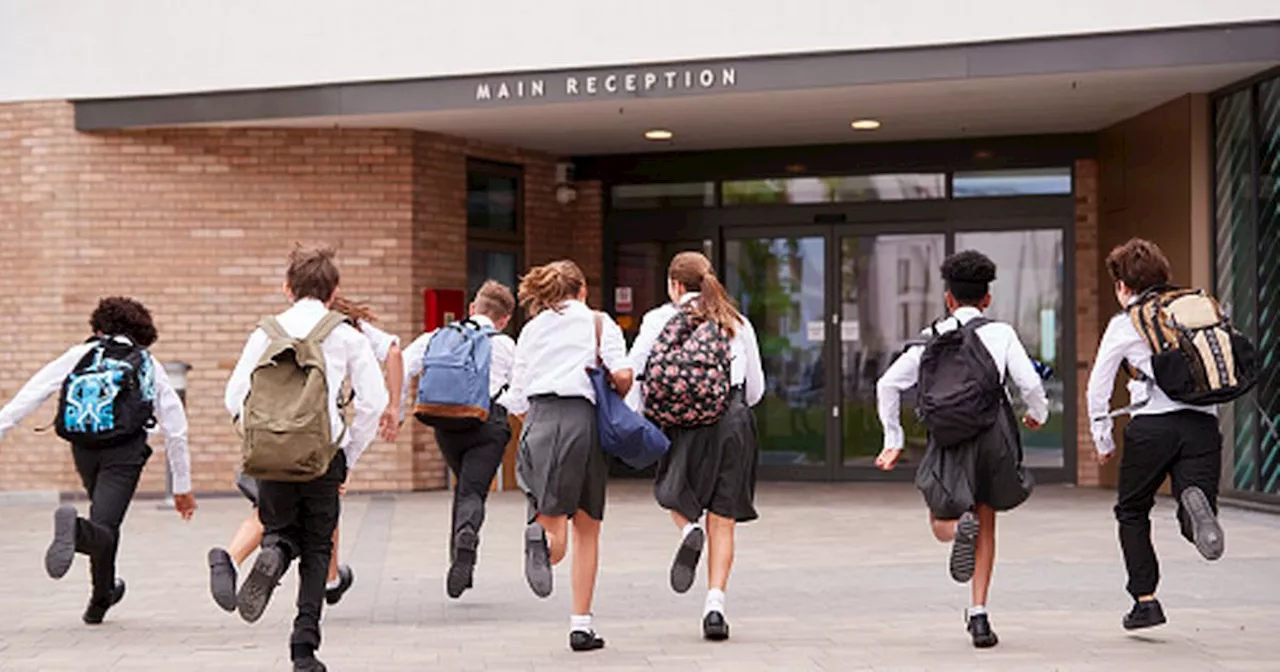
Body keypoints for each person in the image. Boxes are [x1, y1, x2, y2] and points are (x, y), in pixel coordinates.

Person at [224, 246, 388, 672]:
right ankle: (303, 648)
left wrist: (261, 438)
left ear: (287, 288)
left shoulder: (264, 333)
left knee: (279, 529)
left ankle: (275, 553)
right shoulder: (347, 336)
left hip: (271, 454)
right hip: (322, 454)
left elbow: (233, 397)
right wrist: (348, 453)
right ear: (334, 292)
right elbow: (374, 402)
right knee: (318, 546)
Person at [874, 250, 1048, 648]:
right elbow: (1030, 385)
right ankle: (981, 616)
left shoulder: (930, 338)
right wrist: (1037, 414)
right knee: (986, 520)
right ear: (987, 298)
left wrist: (893, 439)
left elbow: (887, 384)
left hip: (949, 438)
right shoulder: (1000, 333)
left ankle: (956, 531)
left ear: (948, 298)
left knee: (940, 517)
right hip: (993, 435)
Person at [0, 297, 196, 625]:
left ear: (98, 328)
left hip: (84, 447)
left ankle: (101, 596)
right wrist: (182, 486)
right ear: (140, 332)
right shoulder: (147, 363)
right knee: (103, 526)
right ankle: (75, 531)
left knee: (103, 520)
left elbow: (30, 395)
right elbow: (176, 429)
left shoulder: (80, 354)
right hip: (125, 453)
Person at [208, 294, 403, 612]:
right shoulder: (349, 331)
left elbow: (236, 396)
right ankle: (328, 580)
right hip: (316, 444)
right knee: (321, 513)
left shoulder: (279, 328)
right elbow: (393, 350)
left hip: (270, 443)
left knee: (268, 512)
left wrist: (253, 438)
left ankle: (229, 558)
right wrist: (393, 406)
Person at [1086, 238, 1225, 630]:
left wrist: (1103, 440)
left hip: (1152, 426)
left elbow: (1098, 385)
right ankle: (1193, 508)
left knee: (1132, 510)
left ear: (1122, 287)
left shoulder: (1125, 322)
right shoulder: (1203, 307)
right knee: (1195, 509)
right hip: (1202, 424)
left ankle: (1145, 601)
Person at [626, 251, 765, 641]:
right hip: (732, 420)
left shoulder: (657, 320)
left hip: (681, 423)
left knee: (673, 493)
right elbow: (756, 390)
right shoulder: (736, 321)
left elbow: (637, 374)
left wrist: (633, 423)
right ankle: (715, 606)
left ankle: (688, 529)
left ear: (674, 285)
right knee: (724, 518)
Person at [508, 260, 632, 652]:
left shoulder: (531, 329)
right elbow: (625, 373)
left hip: (539, 421)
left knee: (552, 521)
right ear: (582, 290)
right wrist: (615, 385)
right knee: (587, 527)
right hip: (582, 422)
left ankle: (538, 537)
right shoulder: (598, 323)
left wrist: (536, 422)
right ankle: (581, 625)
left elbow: (516, 395)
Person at [401, 280, 517, 599]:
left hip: (446, 424)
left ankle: (459, 559)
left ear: (472, 309)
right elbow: (521, 391)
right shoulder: (505, 345)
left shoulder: (437, 337)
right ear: (504, 319)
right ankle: (466, 537)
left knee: (461, 488)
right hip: (487, 425)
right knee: (472, 493)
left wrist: (396, 410)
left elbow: (403, 364)